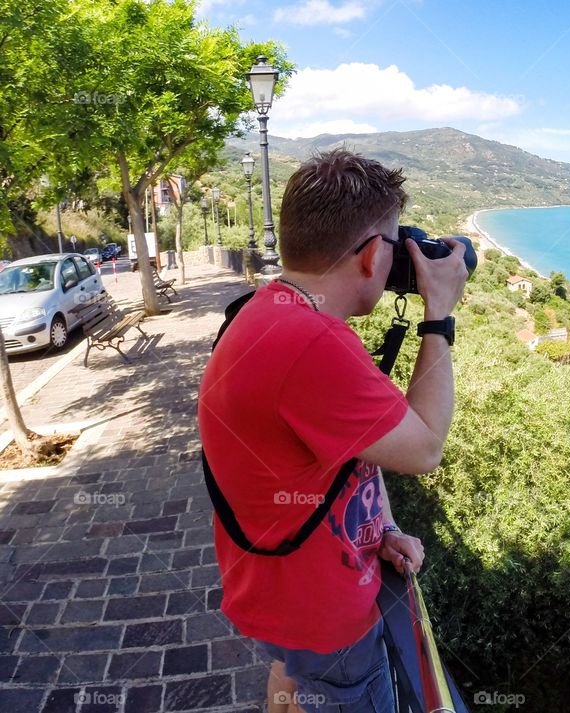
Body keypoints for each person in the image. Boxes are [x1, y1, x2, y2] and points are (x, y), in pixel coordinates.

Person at [198, 149, 468, 713]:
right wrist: (438, 312)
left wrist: (382, 527)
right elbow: (425, 447)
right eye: (397, 244)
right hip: (324, 610)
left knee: (291, 674)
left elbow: (353, 448)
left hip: (278, 585)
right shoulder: (311, 342)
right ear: (373, 256)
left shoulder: (269, 309)